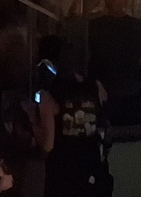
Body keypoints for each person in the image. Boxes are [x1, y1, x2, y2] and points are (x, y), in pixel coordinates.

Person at [38, 66, 112, 196]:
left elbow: (47, 145)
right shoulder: (96, 87)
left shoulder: (52, 91)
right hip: (92, 173)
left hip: (63, 176)